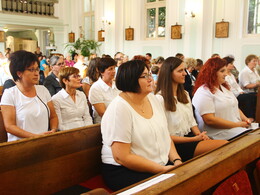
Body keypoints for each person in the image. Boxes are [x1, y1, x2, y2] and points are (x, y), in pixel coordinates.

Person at [101, 60, 182, 191]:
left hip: (156, 163)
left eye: (150, 74)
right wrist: (161, 169)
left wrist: (176, 160)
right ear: (131, 79)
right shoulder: (119, 108)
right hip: (124, 170)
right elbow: (122, 157)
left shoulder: (153, 99)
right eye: (145, 76)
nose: (151, 79)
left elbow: (164, 135)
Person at [155, 57, 227, 162]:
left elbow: (192, 122)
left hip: (190, 138)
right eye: (180, 71)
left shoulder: (184, 94)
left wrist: (200, 135)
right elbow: (164, 135)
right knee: (223, 146)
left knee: (226, 148)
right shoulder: (160, 98)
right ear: (169, 73)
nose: (185, 73)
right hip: (175, 145)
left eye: (184, 70)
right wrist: (194, 139)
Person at [0, 50, 58, 142]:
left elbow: (53, 116)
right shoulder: (10, 94)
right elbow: (9, 126)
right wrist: (34, 136)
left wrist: (53, 130)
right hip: (21, 144)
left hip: (44, 141)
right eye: (31, 70)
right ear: (19, 73)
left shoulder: (42, 90)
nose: (36, 73)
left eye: (37, 69)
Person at [192, 57, 253, 140]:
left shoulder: (224, 88)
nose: (226, 74)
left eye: (225, 71)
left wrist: (246, 120)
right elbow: (209, 120)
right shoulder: (203, 91)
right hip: (218, 133)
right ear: (212, 73)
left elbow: (234, 107)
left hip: (235, 128)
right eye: (222, 71)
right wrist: (238, 124)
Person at [88, 57, 120, 124]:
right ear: (101, 72)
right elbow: (102, 113)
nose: (114, 71)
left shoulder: (117, 85)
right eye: (110, 69)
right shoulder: (96, 88)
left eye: (114, 68)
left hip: (119, 120)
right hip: (104, 123)